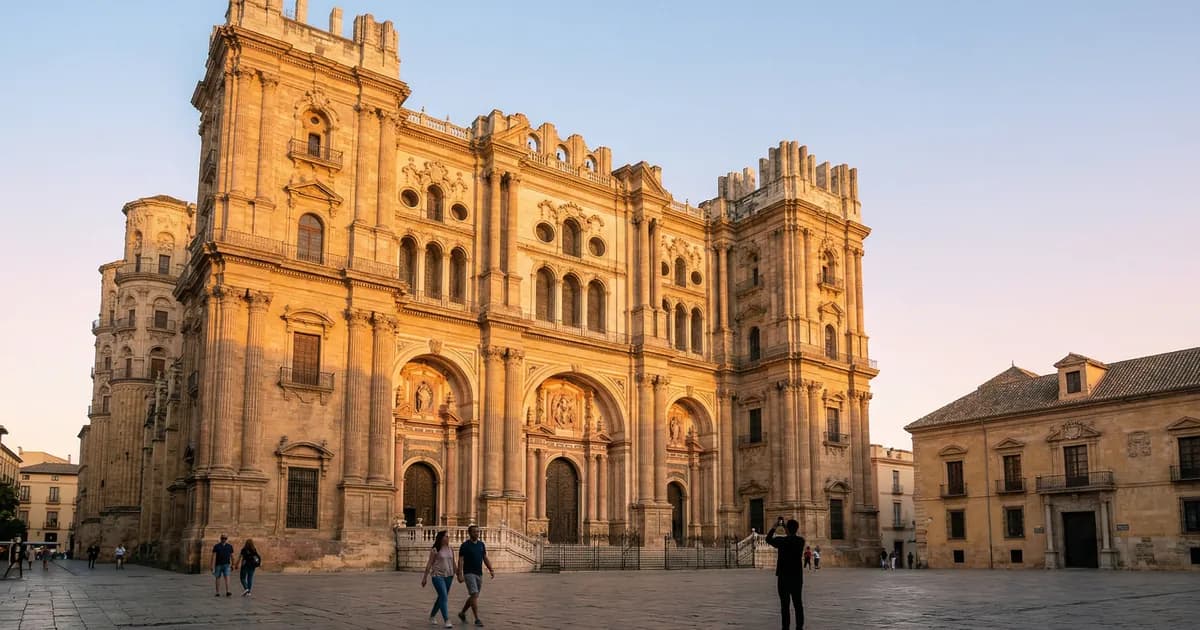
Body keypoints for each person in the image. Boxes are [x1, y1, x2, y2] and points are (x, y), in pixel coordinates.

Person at [766, 516, 805, 630]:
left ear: (787, 529)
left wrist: (774, 527)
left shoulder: (782, 541)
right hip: (797, 577)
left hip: (784, 577)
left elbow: (768, 539)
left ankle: (785, 627)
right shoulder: (800, 541)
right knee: (798, 604)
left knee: (784, 605)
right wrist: (786, 529)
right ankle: (799, 627)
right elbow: (792, 537)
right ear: (797, 529)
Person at [455, 525, 494, 627]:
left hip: (479, 573)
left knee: (474, 596)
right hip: (468, 573)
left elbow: (484, 557)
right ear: (470, 533)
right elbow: (461, 560)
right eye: (474, 532)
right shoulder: (465, 545)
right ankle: (477, 619)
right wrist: (460, 574)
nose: (477, 533)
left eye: (478, 532)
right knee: (474, 594)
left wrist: (491, 569)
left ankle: (462, 613)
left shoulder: (481, 544)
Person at [422, 530, 456, 628]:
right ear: (441, 538)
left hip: (449, 576)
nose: (448, 538)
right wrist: (425, 577)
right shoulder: (435, 550)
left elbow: (453, 562)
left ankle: (432, 615)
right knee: (444, 596)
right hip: (437, 576)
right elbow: (429, 563)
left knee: (441, 597)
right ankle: (447, 620)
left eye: (448, 536)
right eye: (446, 536)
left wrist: (458, 573)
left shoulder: (451, 549)